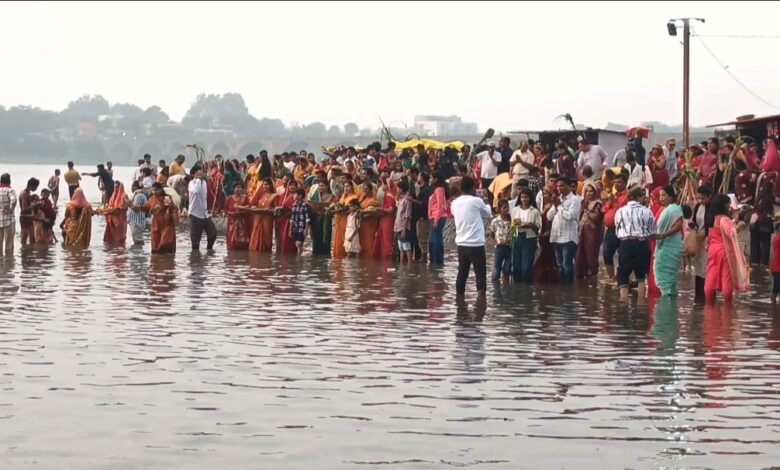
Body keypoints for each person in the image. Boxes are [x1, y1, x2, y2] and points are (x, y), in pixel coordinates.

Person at [704, 194, 750, 303]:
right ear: (723, 205)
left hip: (712, 250)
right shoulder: (724, 219)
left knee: (711, 276)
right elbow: (731, 232)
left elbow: (711, 235)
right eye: (729, 203)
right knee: (726, 279)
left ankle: (708, 304)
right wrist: (740, 225)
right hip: (724, 251)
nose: (730, 205)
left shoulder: (712, 218)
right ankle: (728, 305)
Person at [451, 176, 493, 296]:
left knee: (462, 273)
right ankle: (481, 302)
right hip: (476, 244)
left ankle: (459, 300)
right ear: (473, 188)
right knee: (480, 275)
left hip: (461, 244)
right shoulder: (477, 201)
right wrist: (485, 199)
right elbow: (488, 213)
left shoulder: (454, 203)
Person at [614, 187, 656, 300]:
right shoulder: (646, 211)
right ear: (639, 197)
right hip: (641, 243)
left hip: (625, 243)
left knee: (623, 274)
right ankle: (641, 304)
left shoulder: (620, 211)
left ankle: (623, 301)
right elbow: (652, 230)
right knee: (641, 275)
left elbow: (617, 230)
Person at [548, 177, 581, 284]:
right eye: (557, 186)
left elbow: (569, 217)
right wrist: (555, 205)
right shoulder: (558, 199)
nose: (559, 188)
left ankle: (568, 288)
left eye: (561, 185)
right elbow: (549, 217)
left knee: (567, 264)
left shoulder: (574, 200)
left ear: (569, 186)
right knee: (559, 265)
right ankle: (562, 288)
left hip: (568, 237)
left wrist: (559, 206)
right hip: (556, 237)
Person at [653, 186, 684, 297]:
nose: (661, 198)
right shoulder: (664, 210)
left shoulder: (674, 209)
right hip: (663, 245)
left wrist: (663, 235)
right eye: (660, 196)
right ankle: (671, 304)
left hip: (670, 246)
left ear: (671, 197)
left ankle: (666, 303)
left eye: (664, 195)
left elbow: (679, 225)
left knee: (663, 277)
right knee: (669, 279)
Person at [511, 188, 541, 283]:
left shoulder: (534, 211)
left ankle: (527, 287)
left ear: (530, 198)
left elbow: (538, 229)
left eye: (526, 197)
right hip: (517, 238)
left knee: (526, 266)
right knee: (516, 266)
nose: (524, 199)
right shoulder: (515, 210)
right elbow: (512, 226)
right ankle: (517, 287)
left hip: (529, 239)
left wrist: (530, 225)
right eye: (522, 197)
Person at [574, 181, 603, 280]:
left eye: (591, 191)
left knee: (591, 254)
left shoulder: (598, 203)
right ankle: (581, 275)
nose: (588, 193)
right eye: (587, 191)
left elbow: (595, 217)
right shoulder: (583, 202)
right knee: (579, 253)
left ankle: (592, 275)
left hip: (592, 232)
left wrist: (586, 210)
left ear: (595, 192)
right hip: (582, 231)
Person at [187, 165, 217, 251]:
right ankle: (195, 255)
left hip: (204, 214)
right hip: (195, 214)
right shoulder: (191, 183)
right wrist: (197, 180)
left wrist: (208, 210)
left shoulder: (204, 183)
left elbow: (205, 197)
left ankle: (209, 250)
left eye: (202, 173)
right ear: (194, 174)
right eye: (198, 173)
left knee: (213, 233)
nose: (201, 175)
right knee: (195, 239)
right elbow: (195, 191)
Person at [147, 183, 178, 254]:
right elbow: (146, 209)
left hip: (166, 223)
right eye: (153, 190)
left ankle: (167, 260)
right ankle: (157, 260)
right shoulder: (151, 199)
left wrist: (170, 204)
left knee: (166, 243)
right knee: (155, 245)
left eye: (156, 190)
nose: (154, 192)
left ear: (161, 190)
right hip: (155, 224)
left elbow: (173, 209)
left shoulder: (166, 198)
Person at [331, 177, 359, 258]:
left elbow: (352, 209)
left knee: (346, 239)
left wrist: (342, 211)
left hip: (347, 221)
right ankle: (339, 257)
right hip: (340, 220)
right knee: (339, 239)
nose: (346, 188)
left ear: (352, 187)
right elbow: (340, 205)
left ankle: (345, 255)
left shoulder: (355, 197)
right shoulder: (344, 197)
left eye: (348, 186)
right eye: (345, 187)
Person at [248, 178, 277, 252]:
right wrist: (255, 207)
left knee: (266, 237)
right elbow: (257, 206)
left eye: (267, 184)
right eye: (264, 184)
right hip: (258, 218)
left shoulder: (274, 196)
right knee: (255, 237)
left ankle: (266, 253)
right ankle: (255, 254)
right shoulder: (261, 195)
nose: (265, 186)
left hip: (267, 219)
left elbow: (276, 210)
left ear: (271, 185)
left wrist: (269, 210)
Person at [428, 171, 449, 266]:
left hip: (437, 217)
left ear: (435, 179)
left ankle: (436, 262)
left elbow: (440, 206)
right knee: (434, 240)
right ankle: (436, 263)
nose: (430, 180)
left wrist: (436, 220)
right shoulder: (438, 189)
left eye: (431, 178)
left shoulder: (438, 190)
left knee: (434, 241)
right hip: (436, 217)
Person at [308, 180, 334, 256]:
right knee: (316, 239)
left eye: (322, 186)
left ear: (327, 186)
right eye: (319, 186)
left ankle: (325, 254)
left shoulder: (331, 196)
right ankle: (316, 254)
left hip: (325, 220)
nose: (320, 187)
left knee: (325, 238)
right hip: (315, 220)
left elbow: (333, 208)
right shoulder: (315, 195)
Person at [489, 198, 512, 283]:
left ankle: (505, 286)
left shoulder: (512, 220)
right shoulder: (495, 221)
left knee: (507, 268)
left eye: (507, 207)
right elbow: (491, 234)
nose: (506, 209)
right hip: (499, 247)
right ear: (499, 209)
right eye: (504, 207)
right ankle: (495, 284)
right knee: (497, 267)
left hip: (510, 247)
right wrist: (495, 243)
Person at [373, 178, 396, 259]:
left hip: (387, 221)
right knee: (383, 238)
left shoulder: (389, 196)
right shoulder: (387, 195)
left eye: (383, 184)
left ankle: (386, 257)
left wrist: (379, 209)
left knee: (386, 239)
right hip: (384, 220)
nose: (382, 186)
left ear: (387, 186)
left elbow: (391, 210)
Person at [412, 172, 432, 263]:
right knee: (421, 238)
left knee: (422, 239)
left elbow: (423, 203)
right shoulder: (423, 189)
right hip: (421, 217)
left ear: (422, 178)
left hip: (423, 218)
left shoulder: (426, 190)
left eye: (419, 176)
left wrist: (412, 199)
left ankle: (424, 259)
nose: (418, 177)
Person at [224, 182, 250, 251]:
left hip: (242, 222)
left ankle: (243, 252)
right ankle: (232, 252)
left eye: (241, 188)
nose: (239, 189)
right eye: (237, 187)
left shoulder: (246, 198)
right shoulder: (229, 198)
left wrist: (241, 212)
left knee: (243, 239)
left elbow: (249, 208)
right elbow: (225, 209)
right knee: (232, 238)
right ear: (233, 189)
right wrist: (232, 213)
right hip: (232, 222)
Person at [394, 180, 414, 266]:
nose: (397, 190)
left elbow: (407, 216)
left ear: (401, 189)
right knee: (401, 249)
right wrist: (397, 199)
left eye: (398, 188)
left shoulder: (407, 200)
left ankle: (410, 266)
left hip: (404, 228)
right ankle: (401, 266)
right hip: (398, 227)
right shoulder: (401, 199)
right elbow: (397, 206)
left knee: (407, 249)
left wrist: (404, 229)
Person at [103, 181, 129, 246]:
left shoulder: (124, 196)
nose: (115, 189)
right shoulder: (113, 196)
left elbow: (124, 208)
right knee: (109, 240)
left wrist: (113, 210)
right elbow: (109, 206)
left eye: (117, 187)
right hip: (112, 220)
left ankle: (119, 250)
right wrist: (106, 209)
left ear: (120, 187)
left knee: (119, 240)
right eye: (114, 187)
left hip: (120, 221)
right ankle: (112, 250)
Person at [289, 188, 312, 256]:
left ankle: (298, 258)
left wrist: (306, 229)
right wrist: (290, 229)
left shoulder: (305, 205)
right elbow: (292, 218)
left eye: (295, 194)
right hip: (295, 228)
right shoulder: (294, 205)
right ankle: (301, 256)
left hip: (302, 228)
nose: (293, 196)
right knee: (297, 244)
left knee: (299, 244)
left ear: (300, 196)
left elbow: (307, 218)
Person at [19, 178, 40, 246]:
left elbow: (28, 205)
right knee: (24, 239)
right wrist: (35, 204)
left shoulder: (28, 193)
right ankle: (23, 251)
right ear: (31, 186)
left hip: (29, 217)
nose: (36, 188)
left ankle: (30, 252)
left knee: (32, 238)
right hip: (24, 217)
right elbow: (24, 208)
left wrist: (33, 204)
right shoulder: (24, 193)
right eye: (36, 187)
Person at [0, 173, 16, 256]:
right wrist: (11, 209)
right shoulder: (10, 190)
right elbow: (14, 200)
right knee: (8, 244)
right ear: (9, 181)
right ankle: (8, 260)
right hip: (8, 220)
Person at [127, 180, 148, 246]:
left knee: (138, 242)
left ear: (136, 186)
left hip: (136, 223)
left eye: (132, 186)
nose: (131, 188)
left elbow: (135, 208)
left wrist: (128, 203)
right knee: (138, 242)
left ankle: (139, 252)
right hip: (136, 222)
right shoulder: (136, 195)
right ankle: (139, 252)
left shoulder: (139, 196)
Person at [771, 219, 780, 303]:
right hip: (778, 267)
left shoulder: (776, 237)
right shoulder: (779, 238)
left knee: (776, 289)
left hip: (775, 266)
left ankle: (773, 305)